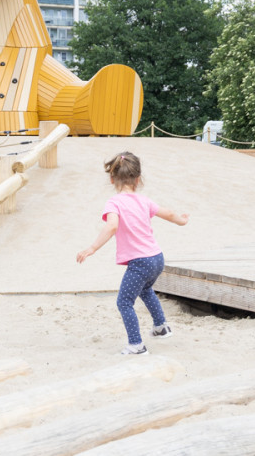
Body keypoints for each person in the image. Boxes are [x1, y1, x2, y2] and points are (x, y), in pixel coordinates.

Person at [76, 151, 189, 355]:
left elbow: (111, 227)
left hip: (140, 262)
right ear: (138, 180)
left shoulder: (114, 202)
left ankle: (136, 345)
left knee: (124, 302)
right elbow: (170, 214)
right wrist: (182, 220)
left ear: (111, 179)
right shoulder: (144, 201)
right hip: (157, 258)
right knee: (145, 290)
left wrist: (92, 248)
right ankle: (161, 327)